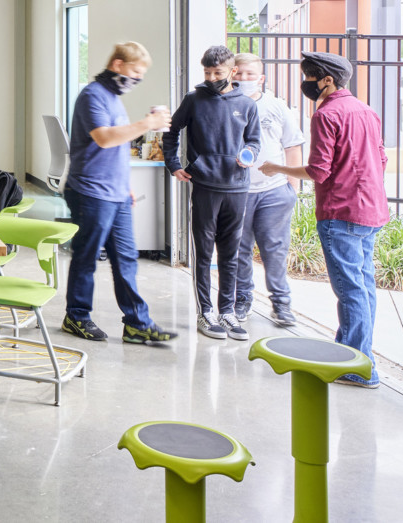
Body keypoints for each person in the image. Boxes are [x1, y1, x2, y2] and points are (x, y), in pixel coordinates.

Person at [259, 51, 389, 389]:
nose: (308, 83)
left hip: (340, 212)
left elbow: (318, 170)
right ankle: (352, 357)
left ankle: (358, 368)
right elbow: (382, 157)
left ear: (327, 80)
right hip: (370, 210)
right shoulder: (367, 111)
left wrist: (277, 168)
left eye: (310, 76)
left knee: (350, 291)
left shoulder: (326, 114)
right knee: (362, 287)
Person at [60, 41, 179, 346]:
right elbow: (103, 138)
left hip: (115, 193)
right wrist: (146, 124)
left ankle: (138, 323)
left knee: (125, 258)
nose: (138, 79)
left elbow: (118, 148)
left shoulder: (114, 97)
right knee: (87, 257)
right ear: (117, 65)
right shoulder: (92, 96)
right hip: (89, 191)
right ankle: (77, 316)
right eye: (135, 71)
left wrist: (125, 186)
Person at [163, 45, 261, 341]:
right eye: (207, 72)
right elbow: (171, 132)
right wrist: (174, 165)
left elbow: (254, 142)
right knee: (204, 253)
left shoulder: (247, 104)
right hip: (205, 186)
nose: (211, 77)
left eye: (217, 72)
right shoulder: (193, 100)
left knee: (230, 254)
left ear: (232, 72)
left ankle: (227, 311)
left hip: (237, 187)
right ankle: (205, 312)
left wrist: (248, 154)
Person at [231, 53, 305, 328]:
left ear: (261, 78)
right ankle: (242, 300)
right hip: (238, 192)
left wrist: (292, 189)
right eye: (238, 74)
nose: (243, 79)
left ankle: (281, 304)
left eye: (250, 74)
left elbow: (292, 146)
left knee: (274, 250)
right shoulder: (225, 106)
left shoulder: (276, 107)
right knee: (239, 250)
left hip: (274, 193)